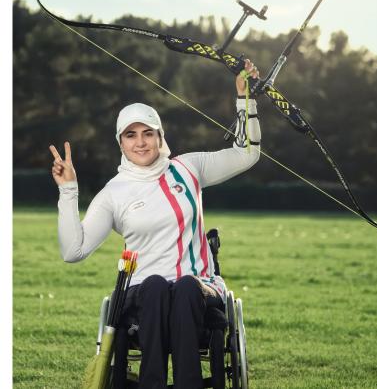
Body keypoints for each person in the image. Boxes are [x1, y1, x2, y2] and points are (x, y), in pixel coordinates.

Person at [51, 60, 261, 387]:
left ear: (160, 136)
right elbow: (73, 251)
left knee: (187, 286)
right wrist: (68, 190)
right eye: (131, 135)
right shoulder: (114, 192)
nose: (140, 142)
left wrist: (245, 101)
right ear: (120, 142)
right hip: (144, 296)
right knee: (154, 286)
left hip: (199, 289)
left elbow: (247, 154)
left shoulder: (188, 168)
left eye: (148, 133)